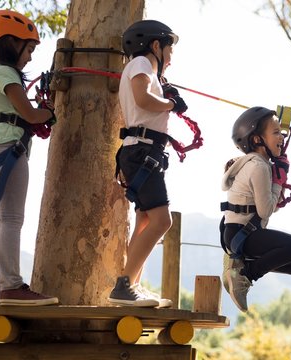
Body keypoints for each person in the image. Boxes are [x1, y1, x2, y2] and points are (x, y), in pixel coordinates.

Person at [0, 10, 58, 306]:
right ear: (12, 42)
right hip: (10, 149)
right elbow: (30, 114)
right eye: (30, 49)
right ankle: (11, 286)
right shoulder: (7, 74)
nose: (31, 57)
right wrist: (50, 111)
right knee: (11, 218)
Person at [108, 20, 188, 307]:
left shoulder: (143, 69)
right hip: (142, 152)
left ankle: (132, 285)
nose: (171, 58)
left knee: (145, 220)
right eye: (170, 50)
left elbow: (145, 97)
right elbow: (143, 99)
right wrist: (170, 104)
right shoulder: (142, 63)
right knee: (161, 220)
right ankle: (124, 285)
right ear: (156, 46)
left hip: (142, 152)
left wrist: (166, 96)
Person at [220, 106, 291, 312]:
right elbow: (266, 211)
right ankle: (245, 275)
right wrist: (278, 182)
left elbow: (267, 207)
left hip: (238, 233)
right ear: (258, 140)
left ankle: (238, 266)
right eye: (276, 132)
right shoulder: (258, 166)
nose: (282, 138)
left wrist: (277, 181)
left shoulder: (258, 164)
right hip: (241, 234)